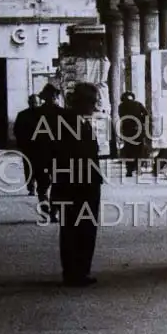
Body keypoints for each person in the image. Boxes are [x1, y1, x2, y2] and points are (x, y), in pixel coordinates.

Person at [50, 82, 104, 286]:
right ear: (82, 101)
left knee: (78, 228)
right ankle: (76, 272)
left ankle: (77, 271)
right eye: (92, 101)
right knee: (78, 229)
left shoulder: (76, 120)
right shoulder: (69, 122)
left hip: (81, 183)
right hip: (77, 185)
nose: (94, 105)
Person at [31, 84, 65, 216]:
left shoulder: (35, 113)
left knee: (44, 181)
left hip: (43, 152)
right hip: (56, 152)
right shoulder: (63, 113)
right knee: (55, 182)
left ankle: (46, 203)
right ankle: (52, 208)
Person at [12, 94, 42, 197]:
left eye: (36, 103)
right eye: (32, 102)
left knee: (40, 168)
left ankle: (40, 188)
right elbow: (16, 130)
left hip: (40, 146)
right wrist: (21, 142)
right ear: (29, 103)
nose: (34, 104)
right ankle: (31, 188)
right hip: (28, 146)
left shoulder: (43, 115)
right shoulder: (22, 115)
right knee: (28, 167)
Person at [117, 91, 149, 177]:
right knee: (139, 149)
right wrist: (141, 120)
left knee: (128, 149)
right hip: (138, 129)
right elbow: (146, 114)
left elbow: (121, 117)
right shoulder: (138, 104)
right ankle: (138, 168)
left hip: (127, 130)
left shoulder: (121, 106)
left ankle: (129, 170)